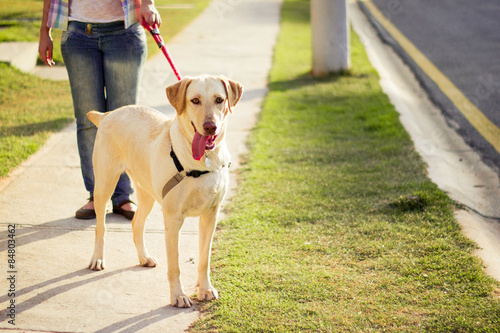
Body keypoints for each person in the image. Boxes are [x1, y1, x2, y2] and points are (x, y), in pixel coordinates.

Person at [38, 0, 161, 220]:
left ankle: (123, 196)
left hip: (123, 32)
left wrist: (148, 3)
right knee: (88, 120)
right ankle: (97, 195)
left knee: (126, 123)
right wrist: (44, 31)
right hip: (78, 34)